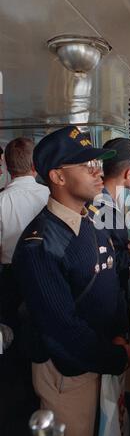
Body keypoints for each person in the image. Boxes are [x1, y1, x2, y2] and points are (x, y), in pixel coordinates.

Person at [12, 127, 130, 436]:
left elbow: (110, 279)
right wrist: (117, 357)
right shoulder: (39, 246)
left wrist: (121, 333)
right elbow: (62, 330)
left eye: (98, 165)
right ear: (58, 177)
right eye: (87, 166)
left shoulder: (91, 222)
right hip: (70, 374)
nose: (98, 173)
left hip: (103, 356)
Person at [92, 137, 130, 307]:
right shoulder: (101, 207)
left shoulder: (105, 200)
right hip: (107, 295)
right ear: (128, 174)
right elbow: (97, 262)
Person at [0, 138, 49, 326]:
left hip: (11, 278)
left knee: (13, 330)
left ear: (7, 166)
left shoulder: (2, 200)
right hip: (47, 272)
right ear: (35, 165)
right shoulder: (51, 196)